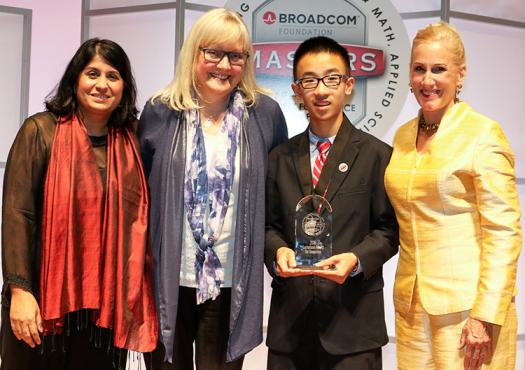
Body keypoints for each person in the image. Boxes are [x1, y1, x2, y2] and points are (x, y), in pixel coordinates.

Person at [138, 8, 288, 370]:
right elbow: (139, 194)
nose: (225, 65)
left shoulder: (265, 113)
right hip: (166, 281)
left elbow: (278, 195)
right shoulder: (160, 111)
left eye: (236, 55)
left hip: (228, 283)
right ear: (194, 53)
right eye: (214, 53)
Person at [0, 38, 157, 370]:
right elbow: (18, 214)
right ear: (75, 79)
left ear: (124, 87)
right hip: (41, 301)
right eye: (93, 73)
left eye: (113, 76)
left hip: (104, 309)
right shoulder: (39, 131)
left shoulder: (132, 139)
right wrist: (19, 291)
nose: (102, 84)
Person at [384, 22, 522, 370]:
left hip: (470, 313)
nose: (427, 80)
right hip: (412, 307)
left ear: (460, 75)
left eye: (439, 69)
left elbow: (503, 231)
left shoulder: (483, 133)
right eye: (419, 69)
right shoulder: (402, 136)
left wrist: (486, 314)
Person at [264, 36, 399, 370]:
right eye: (309, 80)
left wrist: (356, 259)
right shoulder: (279, 157)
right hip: (290, 325)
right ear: (297, 90)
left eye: (331, 78)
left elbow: (389, 230)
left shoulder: (377, 155)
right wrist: (277, 251)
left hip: (353, 326)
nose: (320, 90)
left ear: (348, 85)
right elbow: (267, 226)